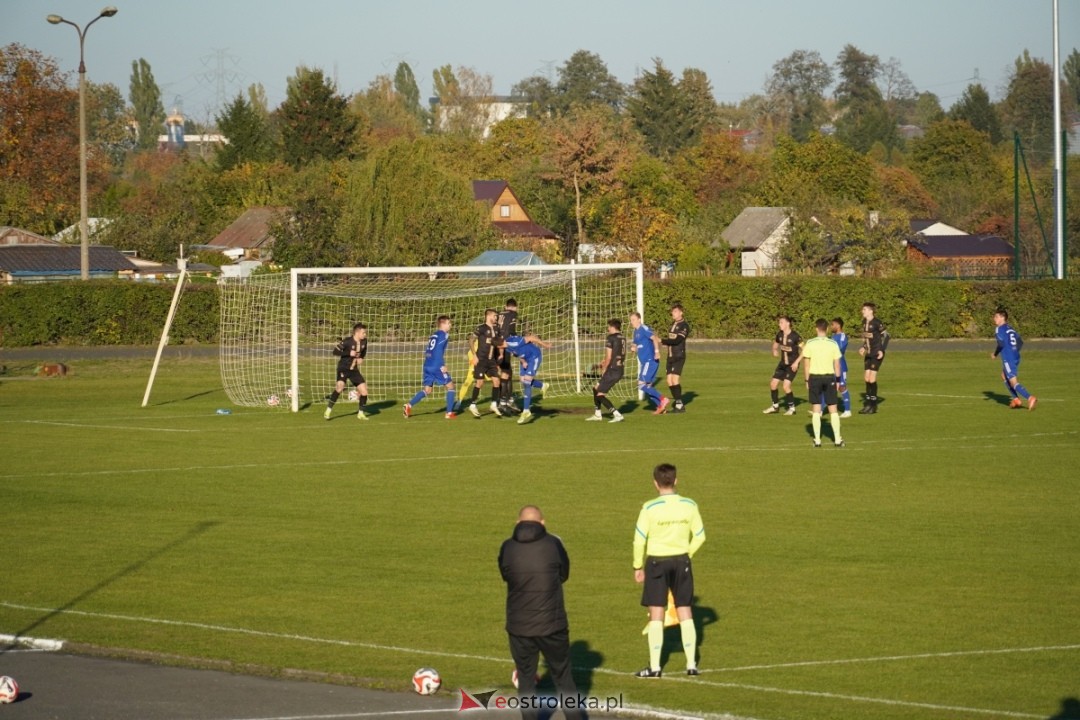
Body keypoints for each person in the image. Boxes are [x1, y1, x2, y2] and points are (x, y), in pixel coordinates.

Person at [498, 505, 583, 720]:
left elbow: (506, 575)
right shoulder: (553, 544)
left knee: (525, 678)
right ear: (543, 523)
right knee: (563, 676)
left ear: (517, 523)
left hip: (519, 626)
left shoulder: (507, 547)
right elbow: (564, 573)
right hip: (552, 623)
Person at [632, 463, 706, 678]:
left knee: (657, 611)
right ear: (676, 480)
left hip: (657, 562)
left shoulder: (649, 508)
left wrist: (637, 566)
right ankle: (691, 664)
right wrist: (687, 554)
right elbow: (700, 536)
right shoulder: (690, 505)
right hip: (681, 561)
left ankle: (655, 668)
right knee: (685, 609)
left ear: (655, 483)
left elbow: (639, 540)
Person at [403, 315, 457, 419]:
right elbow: (438, 351)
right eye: (449, 323)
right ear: (443, 324)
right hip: (437, 365)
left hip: (427, 364)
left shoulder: (434, 335)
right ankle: (449, 413)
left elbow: (430, 350)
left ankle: (408, 405)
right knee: (450, 387)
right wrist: (442, 365)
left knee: (427, 390)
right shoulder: (444, 335)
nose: (450, 325)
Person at [802, 318, 845, 447]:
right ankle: (837, 439)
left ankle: (817, 440)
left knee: (816, 408)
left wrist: (806, 380)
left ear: (816, 329)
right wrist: (838, 380)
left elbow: (806, 365)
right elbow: (837, 365)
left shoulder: (810, 343)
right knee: (833, 408)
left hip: (814, 378)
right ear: (826, 329)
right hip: (829, 378)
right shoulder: (833, 344)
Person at [502, 331, 551, 425]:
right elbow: (516, 353)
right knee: (523, 380)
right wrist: (523, 361)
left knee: (527, 382)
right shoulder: (507, 347)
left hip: (534, 356)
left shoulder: (515, 342)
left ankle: (526, 410)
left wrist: (545, 345)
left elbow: (531, 338)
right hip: (525, 358)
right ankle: (543, 385)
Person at [992, 308, 1037, 410]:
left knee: (1013, 382)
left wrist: (995, 354)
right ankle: (1016, 399)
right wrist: (1013, 351)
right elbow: (1020, 342)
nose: (994, 319)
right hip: (1016, 356)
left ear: (1002, 318)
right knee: (1004, 376)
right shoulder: (1010, 328)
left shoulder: (999, 329)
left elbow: (1001, 344)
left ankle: (1030, 397)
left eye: (996, 316)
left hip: (1008, 358)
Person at [324, 322, 369, 420]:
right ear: (357, 333)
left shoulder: (364, 341)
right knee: (340, 387)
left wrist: (361, 358)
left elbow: (364, 351)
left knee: (364, 391)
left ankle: (360, 413)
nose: (365, 335)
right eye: (363, 333)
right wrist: (349, 352)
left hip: (354, 370)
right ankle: (328, 410)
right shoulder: (347, 341)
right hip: (343, 368)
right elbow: (335, 351)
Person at [587, 318, 626, 423]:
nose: (608, 329)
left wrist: (604, 368)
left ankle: (617, 414)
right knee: (595, 388)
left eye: (608, 327)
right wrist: (604, 362)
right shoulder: (622, 337)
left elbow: (609, 357)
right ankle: (597, 414)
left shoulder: (611, 338)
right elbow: (616, 354)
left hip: (612, 370)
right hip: (619, 368)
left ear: (613, 327)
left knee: (600, 395)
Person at [466, 309, 503, 418]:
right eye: (495, 316)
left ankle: (493, 404)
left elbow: (499, 342)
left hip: (491, 360)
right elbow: (471, 340)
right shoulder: (481, 328)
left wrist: (500, 353)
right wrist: (474, 355)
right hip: (481, 360)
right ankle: (472, 404)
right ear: (489, 316)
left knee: (496, 381)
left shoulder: (496, 328)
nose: (496, 318)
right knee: (480, 382)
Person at [630, 312, 669, 414]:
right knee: (648, 386)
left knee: (641, 385)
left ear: (639, 319)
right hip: (645, 362)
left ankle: (663, 399)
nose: (632, 322)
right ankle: (661, 407)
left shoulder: (644, 328)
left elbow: (654, 338)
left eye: (633, 319)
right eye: (631, 320)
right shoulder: (636, 331)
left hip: (650, 361)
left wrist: (657, 352)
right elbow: (636, 343)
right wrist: (633, 347)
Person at [763, 315, 802, 416]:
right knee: (773, 384)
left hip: (792, 365)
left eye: (781, 322)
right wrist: (774, 350)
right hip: (782, 364)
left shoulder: (795, 336)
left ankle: (792, 409)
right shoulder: (779, 334)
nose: (779, 324)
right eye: (779, 322)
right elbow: (775, 344)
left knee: (786, 386)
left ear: (788, 323)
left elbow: (805, 350)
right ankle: (775, 406)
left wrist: (796, 362)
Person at [858, 302, 888, 414]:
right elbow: (867, 339)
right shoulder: (863, 322)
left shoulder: (877, 322)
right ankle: (868, 404)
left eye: (864, 309)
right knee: (866, 378)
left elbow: (886, 336)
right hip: (869, 353)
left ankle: (873, 406)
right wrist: (863, 347)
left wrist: (881, 349)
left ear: (871, 311)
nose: (863, 311)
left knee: (872, 379)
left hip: (877, 353)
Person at [660, 303, 690, 413]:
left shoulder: (684, 326)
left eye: (675, 311)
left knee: (675, 380)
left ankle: (679, 405)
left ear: (681, 313)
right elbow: (671, 340)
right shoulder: (672, 324)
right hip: (670, 356)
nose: (673, 313)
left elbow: (677, 340)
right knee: (669, 381)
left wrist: (662, 341)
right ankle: (679, 404)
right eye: (672, 311)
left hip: (679, 356)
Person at [496, 298, 520, 414]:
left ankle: (508, 399)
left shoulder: (499, 314)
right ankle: (502, 402)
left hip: (495, 344)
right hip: (504, 344)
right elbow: (511, 330)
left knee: (507, 372)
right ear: (515, 307)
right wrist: (516, 344)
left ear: (505, 306)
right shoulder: (513, 314)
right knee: (505, 373)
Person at [830, 317, 853, 418]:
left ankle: (847, 410)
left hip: (840, 366)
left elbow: (840, 349)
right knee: (827, 386)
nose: (831, 327)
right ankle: (820, 410)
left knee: (841, 387)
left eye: (833, 324)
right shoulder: (832, 336)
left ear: (838, 325)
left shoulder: (843, 336)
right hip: (831, 366)